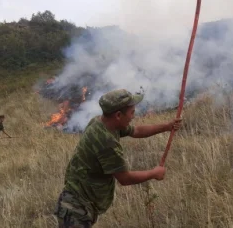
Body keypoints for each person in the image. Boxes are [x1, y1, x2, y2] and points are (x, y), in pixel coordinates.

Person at [54, 89, 182, 228]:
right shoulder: (107, 142)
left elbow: (136, 131)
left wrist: (167, 126)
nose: (133, 116)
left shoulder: (101, 122)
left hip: (81, 203)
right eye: (132, 112)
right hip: (76, 209)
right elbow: (125, 178)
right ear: (118, 115)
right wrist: (154, 173)